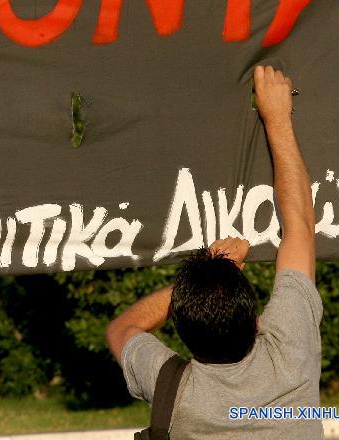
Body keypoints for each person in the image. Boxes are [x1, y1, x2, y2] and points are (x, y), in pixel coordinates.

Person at [106, 65, 322, 439]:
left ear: (182, 331)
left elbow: (121, 329)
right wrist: (277, 118)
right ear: (256, 320)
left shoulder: (173, 390)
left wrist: (209, 274)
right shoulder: (290, 355)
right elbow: (299, 226)